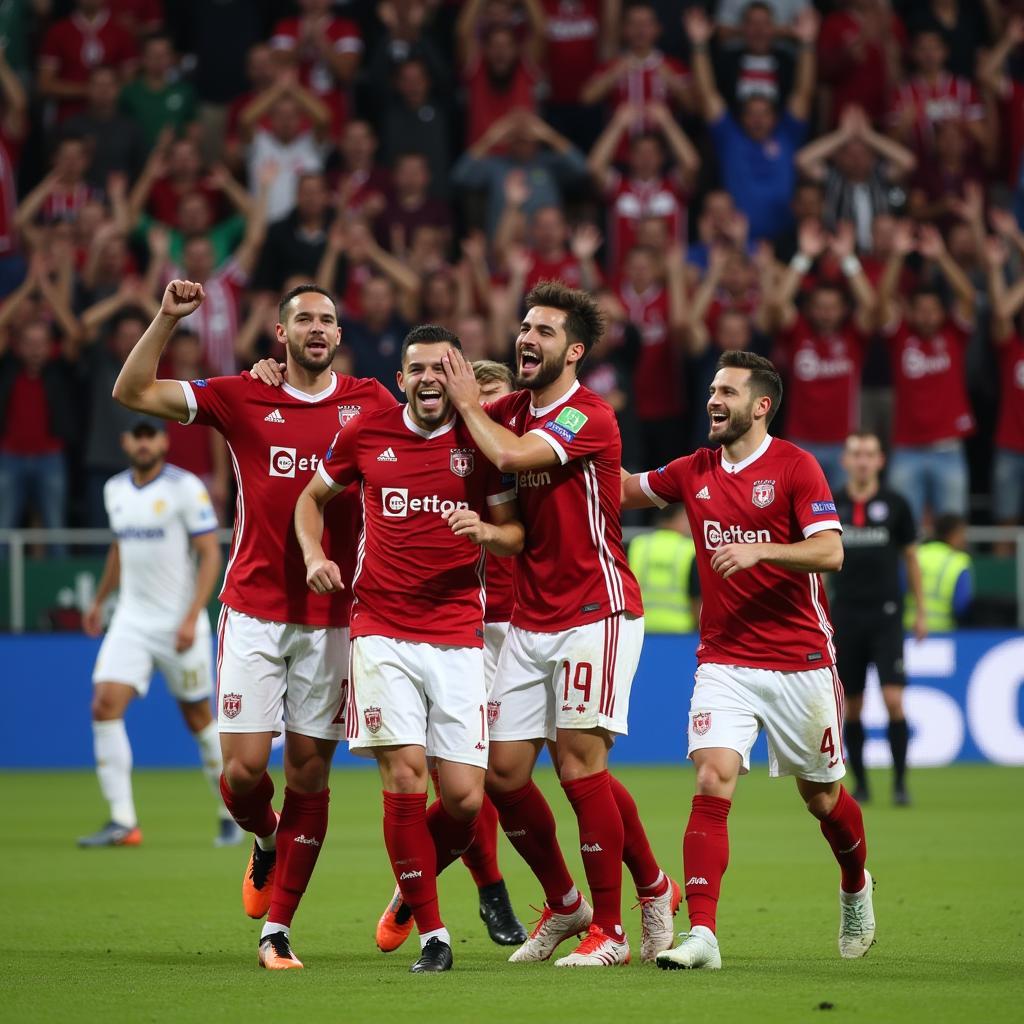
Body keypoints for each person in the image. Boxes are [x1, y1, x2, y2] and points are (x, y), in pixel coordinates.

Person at [111, 279, 397, 970]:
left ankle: (278, 930)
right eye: (304, 319)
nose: (318, 329)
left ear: (338, 333)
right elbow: (133, 392)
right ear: (281, 333)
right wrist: (167, 318)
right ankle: (265, 840)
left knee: (308, 777)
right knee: (242, 773)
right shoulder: (242, 394)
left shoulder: (371, 403)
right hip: (254, 609)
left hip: (333, 618)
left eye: (328, 319)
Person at [439, 281, 679, 968]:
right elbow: (434, 418)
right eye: (524, 327)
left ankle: (611, 928)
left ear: (573, 351)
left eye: (543, 331)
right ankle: (578, 902)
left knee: (579, 763)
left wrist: (465, 406)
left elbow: (511, 457)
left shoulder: (589, 416)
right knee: (505, 775)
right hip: (531, 618)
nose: (526, 338)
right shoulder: (509, 407)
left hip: (594, 611)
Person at [621, 349, 875, 969]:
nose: (714, 399)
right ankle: (703, 934)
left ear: (760, 406)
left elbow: (831, 552)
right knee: (711, 778)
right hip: (725, 659)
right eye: (712, 389)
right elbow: (625, 490)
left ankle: (855, 884)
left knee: (822, 799)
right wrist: (564, 456)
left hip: (801, 661)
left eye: (727, 392)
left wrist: (762, 552)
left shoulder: (795, 467)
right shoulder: (694, 469)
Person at [293, 326, 525, 973]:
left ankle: (411, 883)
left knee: (465, 799)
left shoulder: (478, 446)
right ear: (401, 378)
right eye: (417, 367)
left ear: (459, 378)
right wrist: (315, 553)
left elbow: (513, 536)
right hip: (381, 631)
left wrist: (484, 529)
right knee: (403, 775)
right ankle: (434, 933)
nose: (429, 378)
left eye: (442, 367)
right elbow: (312, 499)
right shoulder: (367, 433)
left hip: (457, 636)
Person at [78, 419, 239, 847]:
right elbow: (119, 547)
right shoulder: (114, 489)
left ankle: (230, 812)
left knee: (198, 717)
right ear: (125, 442)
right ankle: (123, 822)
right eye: (137, 435)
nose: (144, 442)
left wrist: (191, 617)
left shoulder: (184, 488)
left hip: (176, 623)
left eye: (152, 435)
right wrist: (99, 600)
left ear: (164, 442)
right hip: (131, 619)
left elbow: (209, 555)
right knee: (104, 704)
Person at [832, 432, 927, 807]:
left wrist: (920, 611)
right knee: (852, 705)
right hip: (845, 615)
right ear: (845, 460)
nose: (862, 461)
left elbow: (911, 559)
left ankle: (901, 783)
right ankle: (862, 784)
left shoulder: (896, 504)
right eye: (856, 454)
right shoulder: (832, 503)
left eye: (869, 454)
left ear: (880, 461)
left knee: (893, 700)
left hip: (887, 615)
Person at [627, 505, 700, 634]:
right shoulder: (690, 550)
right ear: (675, 518)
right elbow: (696, 598)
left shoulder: (636, 544)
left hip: (639, 629)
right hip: (680, 634)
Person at [903, 514, 973, 633]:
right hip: (943, 632)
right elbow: (961, 605)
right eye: (962, 534)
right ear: (953, 534)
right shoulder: (960, 561)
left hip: (909, 629)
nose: (964, 539)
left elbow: (899, 588)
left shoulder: (915, 555)